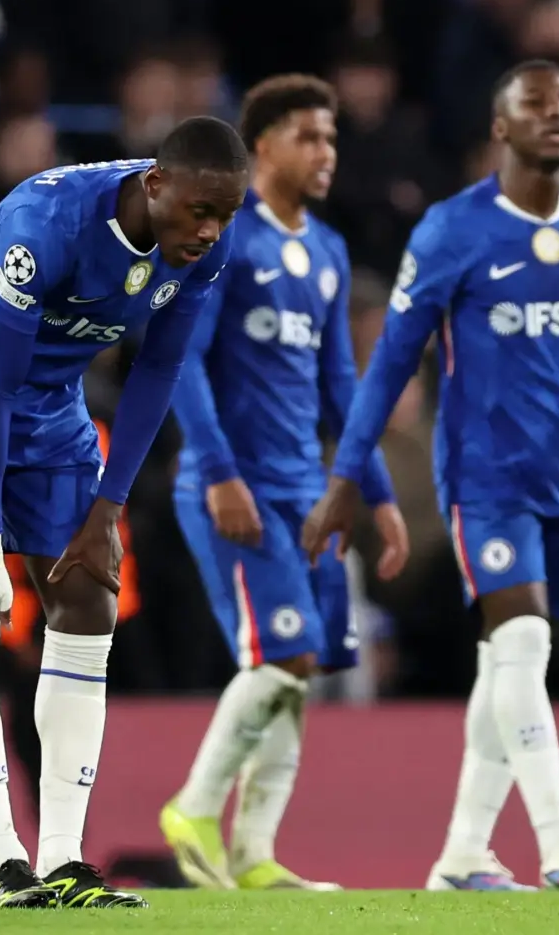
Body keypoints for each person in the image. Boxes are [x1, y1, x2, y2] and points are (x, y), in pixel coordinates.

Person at [303, 60, 559, 891]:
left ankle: (463, 854)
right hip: (483, 474)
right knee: (523, 639)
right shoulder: (451, 230)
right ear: (501, 127)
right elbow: (392, 362)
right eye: (537, 103)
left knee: (508, 661)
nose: (557, 113)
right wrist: (347, 475)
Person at [0, 120, 249, 908]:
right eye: (199, 211)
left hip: (51, 404)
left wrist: (108, 511)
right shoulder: (44, 224)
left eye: (225, 214)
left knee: (88, 600)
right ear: (155, 185)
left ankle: (63, 858)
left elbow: (157, 369)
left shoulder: (206, 244)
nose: (210, 230)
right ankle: (0, 860)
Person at [159, 75, 411, 890]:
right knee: (281, 654)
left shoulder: (328, 250)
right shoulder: (225, 234)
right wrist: (219, 473)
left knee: (297, 671)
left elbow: (342, 387)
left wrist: (378, 495)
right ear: (262, 144)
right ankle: (194, 809)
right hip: (238, 487)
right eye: (309, 136)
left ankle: (256, 853)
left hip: (307, 492)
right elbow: (180, 359)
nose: (326, 152)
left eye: (331, 138)